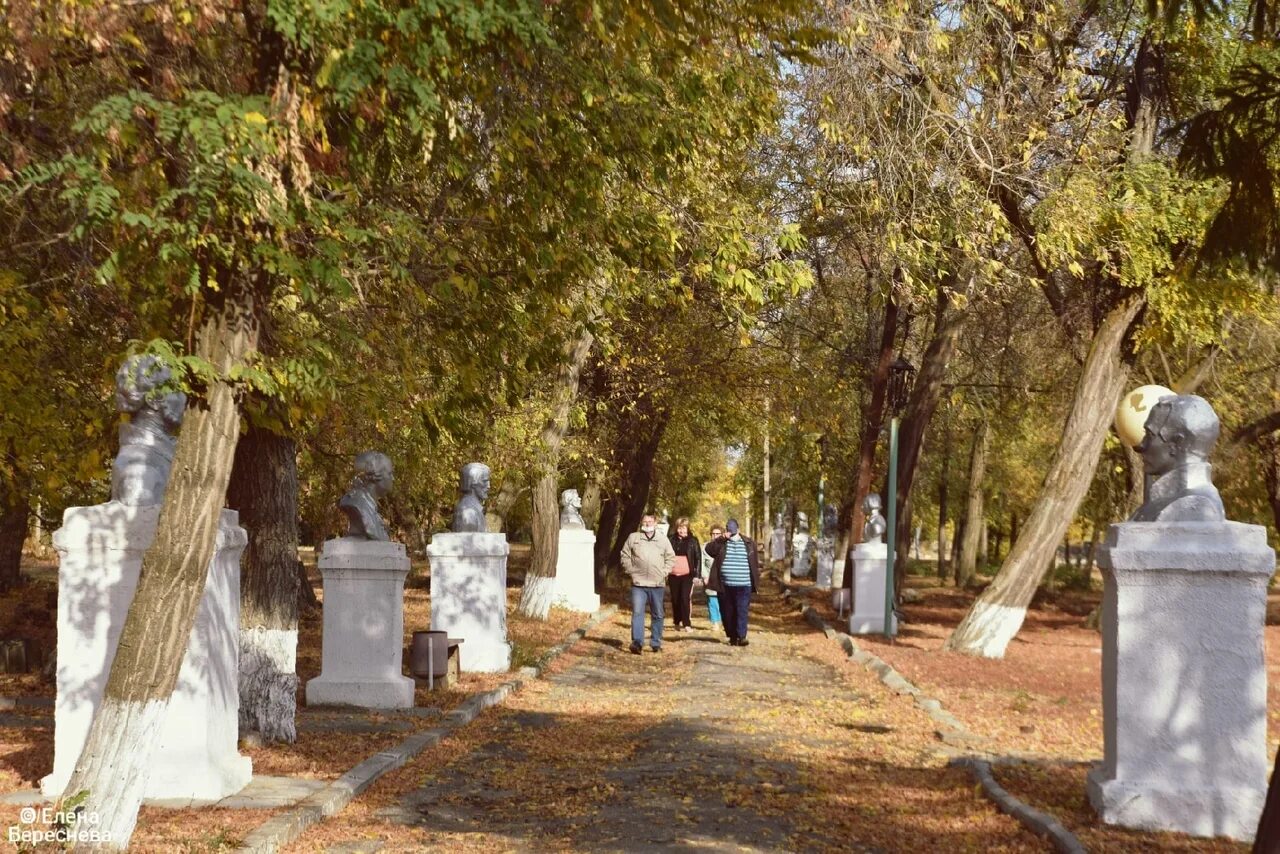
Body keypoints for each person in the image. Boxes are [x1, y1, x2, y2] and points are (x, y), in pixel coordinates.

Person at [620, 513, 675, 654]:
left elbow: (671, 558)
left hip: (657, 584)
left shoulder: (663, 540)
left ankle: (655, 642)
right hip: (638, 584)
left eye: (650, 521)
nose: (647, 524)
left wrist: (664, 572)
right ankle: (637, 642)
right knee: (638, 612)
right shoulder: (634, 538)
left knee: (658, 614)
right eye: (645, 521)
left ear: (655, 523)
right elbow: (624, 555)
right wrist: (631, 570)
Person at [705, 518, 760, 646]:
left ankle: (742, 636)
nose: (731, 534)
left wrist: (755, 579)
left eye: (733, 531)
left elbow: (754, 562)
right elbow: (709, 550)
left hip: (744, 584)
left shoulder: (749, 543)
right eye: (729, 531)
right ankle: (732, 636)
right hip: (725, 585)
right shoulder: (722, 542)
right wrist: (721, 538)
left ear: (738, 530)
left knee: (742, 610)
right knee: (727, 612)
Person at [667, 517, 701, 631]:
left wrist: (697, 575)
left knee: (685, 598)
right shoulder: (670, 539)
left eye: (684, 528)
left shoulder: (693, 541)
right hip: (673, 574)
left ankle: (687, 624)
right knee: (675, 599)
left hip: (687, 575)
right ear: (677, 528)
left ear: (688, 528)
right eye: (680, 528)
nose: (682, 530)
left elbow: (698, 558)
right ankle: (677, 621)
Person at [702, 524, 724, 631]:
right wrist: (705, 576)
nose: (715, 536)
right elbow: (701, 563)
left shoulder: (726, 546)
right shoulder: (705, 547)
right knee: (712, 600)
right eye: (713, 534)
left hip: (723, 579)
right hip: (710, 578)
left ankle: (724, 620)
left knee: (723, 601)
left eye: (718, 534)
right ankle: (715, 622)